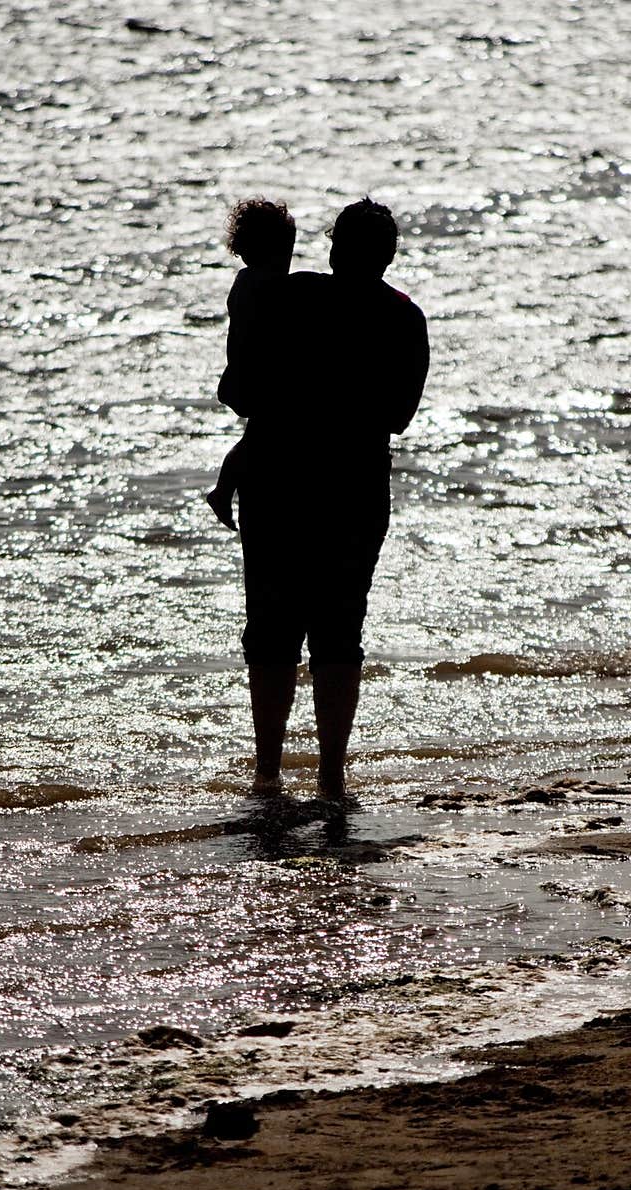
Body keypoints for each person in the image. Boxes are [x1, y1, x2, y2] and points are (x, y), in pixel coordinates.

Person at [218, 197, 429, 800]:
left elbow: (241, 390)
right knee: (340, 632)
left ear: (334, 248)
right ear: (387, 257)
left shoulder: (294, 297)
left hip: (279, 483)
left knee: (272, 630)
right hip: (354, 490)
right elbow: (397, 416)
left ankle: (268, 772)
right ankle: (332, 776)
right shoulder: (403, 318)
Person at [206, 198, 296, 531]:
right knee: (255, 438)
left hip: (251, 372)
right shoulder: (260, 285)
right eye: (284, 253)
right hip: (253, 374)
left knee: (253, 437)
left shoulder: (255, 281)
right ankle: (222, 490)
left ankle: (222, 490)